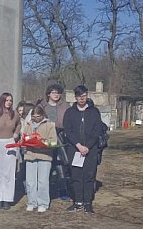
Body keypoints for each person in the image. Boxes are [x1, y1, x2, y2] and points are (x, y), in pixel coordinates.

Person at [63, 85, 104, 213]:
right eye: (79, 96)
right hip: (75, 149)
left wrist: (88, 146)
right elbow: (68, 131)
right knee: (76, 176)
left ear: (87, 95)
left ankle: (87, 202)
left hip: (90, 150)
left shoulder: (94, 112)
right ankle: (78, 201)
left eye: (84, 95)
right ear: (75, 97)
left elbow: (97, 130)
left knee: (89, 176)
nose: (82, 98)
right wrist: (78, 145)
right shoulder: (70, 112)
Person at [38, 84, 72, 201]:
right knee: (45, 165)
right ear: (48, 94)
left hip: (60, 138)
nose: (56, 95)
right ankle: (44, 192)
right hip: (44, 138)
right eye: (53, 92)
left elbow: (68, 122)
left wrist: (55, 125)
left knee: (61, 165)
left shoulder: (65, 106)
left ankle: (63, 190)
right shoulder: (42, 106)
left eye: (58, 93)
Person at [0, 92, 20, 209]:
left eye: (10, 100)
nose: (9, 102)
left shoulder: (15, 114)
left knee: (8, 172)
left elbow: (18, 124)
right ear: (2, 101)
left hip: (9, 142)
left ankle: (7, 198)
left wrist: (15, 134)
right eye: (7, 100)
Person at [22, 106, 57, 212]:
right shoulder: (28, 125)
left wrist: (42, 141)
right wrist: (25, 142)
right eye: (34, 116)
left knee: (43, 181)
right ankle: (32, 202)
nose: (36, 119)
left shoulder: (50, 125)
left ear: (43, 115)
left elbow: (53, 143)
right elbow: (23, 138)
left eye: (38, 116)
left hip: (44, 156)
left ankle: (43, 203)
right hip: (30, 154)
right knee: (30, 181)